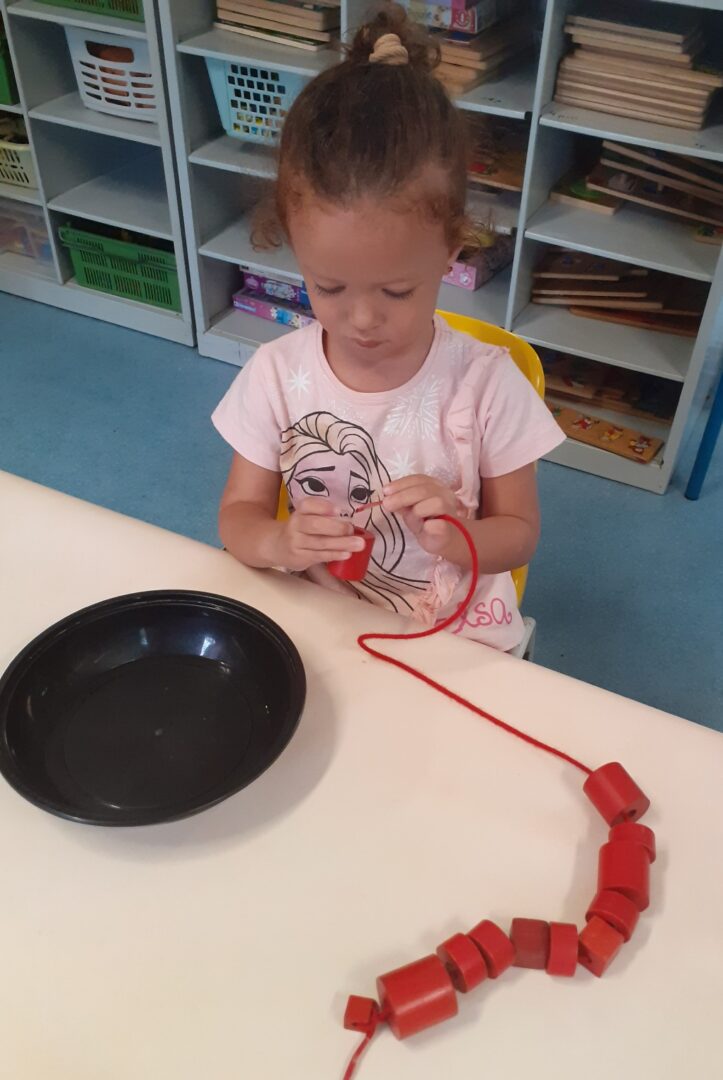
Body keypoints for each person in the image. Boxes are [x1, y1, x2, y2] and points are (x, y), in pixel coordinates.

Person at [213, 6, 565, 652]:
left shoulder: (487, 386)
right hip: (326, 627)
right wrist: (278, 541)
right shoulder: (274, 376)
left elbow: (518, 534)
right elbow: (238, 518)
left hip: (455, 637)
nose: (363, 319)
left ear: (452, 251)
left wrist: (460, 534)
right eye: (329, 287)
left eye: (396, 291)